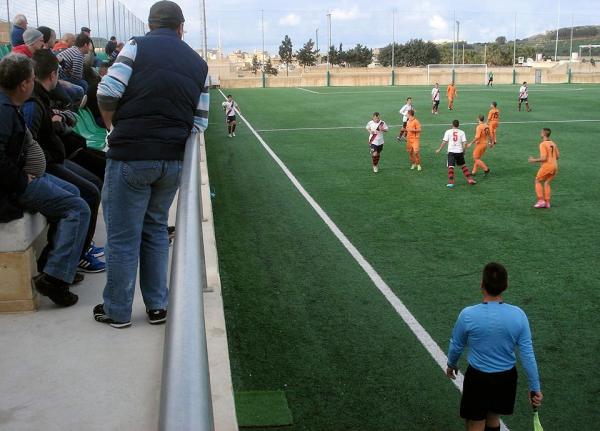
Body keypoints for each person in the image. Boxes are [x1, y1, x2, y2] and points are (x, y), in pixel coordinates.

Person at [94, 0, 210, 328]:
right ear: (180, 27)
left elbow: (107, 90)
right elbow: (199, 122)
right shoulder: (198, 64)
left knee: (122, 235)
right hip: (171, 162)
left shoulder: (136, 47)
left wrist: (113, 128)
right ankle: (158, 306)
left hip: (130, 156)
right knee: (156, 229)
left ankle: (117, 310)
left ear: (150, 25)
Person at [0, 54, 90, 306]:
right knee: (78, 208)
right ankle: (55, 279)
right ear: (24, 84)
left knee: (74, 191)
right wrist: (21, 179)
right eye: (30, 80)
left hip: (25, 176)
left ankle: (52, 264)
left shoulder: (9, 104)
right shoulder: (5, 111)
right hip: (14, 186)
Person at [23, 49, 105, 272]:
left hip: (56, 158)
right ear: (53, 74)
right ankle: (77, 255)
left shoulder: (40, 96)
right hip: (46, 166)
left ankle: (81, 248)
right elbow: (26, 143)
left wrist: (58, 119)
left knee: (93, 185)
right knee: (87, 193)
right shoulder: (32, 103)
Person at [446, 262, 543, 431]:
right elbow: (527, 355)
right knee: (493, 419)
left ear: (481, 285)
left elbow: (456, 345)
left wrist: (451, 364)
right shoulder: (519, 315)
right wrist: (535, 388)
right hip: (506, 379)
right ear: (506, 285)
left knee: (475, 422)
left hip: (478, 379)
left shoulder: (468, 314)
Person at [436, 119, 476, 188]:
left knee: (451, 167)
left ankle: (451, 182)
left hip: (451, 152)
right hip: (459, 151)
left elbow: (444, 142)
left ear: (452, 125)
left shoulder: (448, 131)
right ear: (458, 125)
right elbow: (464, 143)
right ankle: (470, 179)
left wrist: (439, 149)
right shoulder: (462, 132)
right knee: (463, 166)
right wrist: (464, 150)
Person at [528, 128, 559, 209]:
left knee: (537, 181)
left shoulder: (542, 144)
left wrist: (533, 160)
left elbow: (544, 158)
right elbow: (558, 156)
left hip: (547, 166)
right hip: (555, 166)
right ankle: (547, 203)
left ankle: (541, 201)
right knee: (547, 183)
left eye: (541, 132)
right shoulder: (553, 143)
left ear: (543, 134)